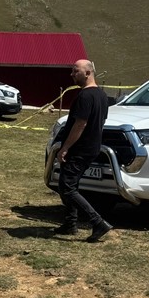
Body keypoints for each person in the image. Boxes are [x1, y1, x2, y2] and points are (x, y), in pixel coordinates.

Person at [55, 59, 113, 243]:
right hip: (91, 147)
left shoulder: (85, 96)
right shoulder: (102, 96)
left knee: (67, 187)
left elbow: (81, 124)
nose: (72, 74)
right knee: (69, 185)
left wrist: (65, 147)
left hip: (80, 148)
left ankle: (98, 222)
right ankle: (70, 223)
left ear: (88, 73)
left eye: (76, 71)